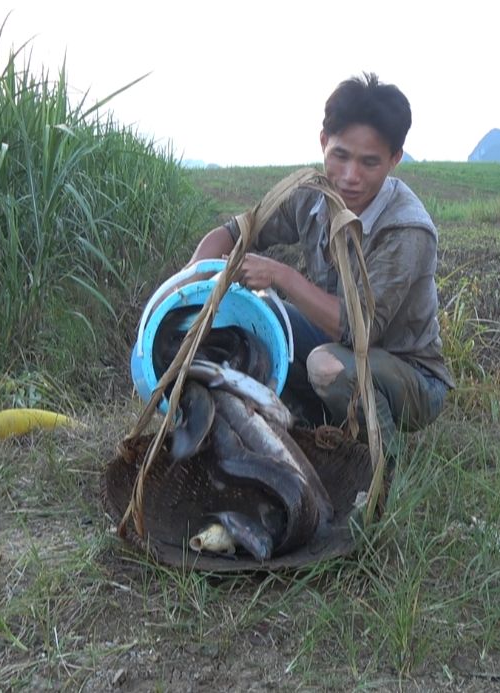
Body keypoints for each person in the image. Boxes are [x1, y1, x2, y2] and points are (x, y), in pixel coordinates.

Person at [185, 73, 452, 446]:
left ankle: (384, 467)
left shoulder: (406, 230)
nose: (349, 177)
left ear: (395, 159)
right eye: (340, 155)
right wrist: (186, 288)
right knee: (262, 317)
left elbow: (357, 332)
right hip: (336, 346)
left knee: (327, 366)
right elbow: (233, 232)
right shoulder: (310, 195)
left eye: (369, 163)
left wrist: (280, 275)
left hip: (408, 373)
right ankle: (317, 429)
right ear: (324, 141)